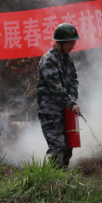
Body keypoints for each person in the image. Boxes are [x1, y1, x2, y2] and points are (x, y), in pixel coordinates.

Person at [36, 23, 82, 169]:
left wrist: (73, 97)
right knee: (57, 146)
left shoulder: (68, 60)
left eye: (74, 42)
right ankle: (53, 183)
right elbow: (55, 87)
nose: (73, 46)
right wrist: (71, 103)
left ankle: (62, 177)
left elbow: (74, 79)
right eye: (71, 43)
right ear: (61, 42)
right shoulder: (48, 60)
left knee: (69, 146)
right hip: (50, 110)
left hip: (65, 109)